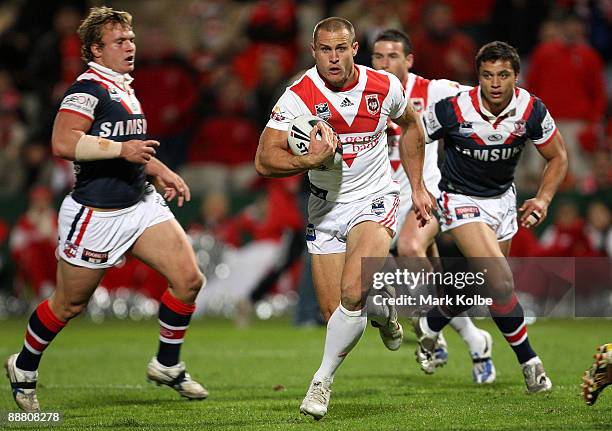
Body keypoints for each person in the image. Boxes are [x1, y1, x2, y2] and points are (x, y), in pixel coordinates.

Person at [4, 7, 207, 413]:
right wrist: (121, 150)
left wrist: (160, 169)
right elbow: (63, 142)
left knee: (189, 279)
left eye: (130, 39)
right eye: (119, 41)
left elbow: (132, 148)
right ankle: (23, 366)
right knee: (69, 305)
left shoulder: (124, 87)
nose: (129, 46)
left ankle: (166, 364)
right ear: (96, 50)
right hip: (96, 213)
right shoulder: (87, 89)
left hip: (139, 203)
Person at [255, 17, 433, 420]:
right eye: (325, 50)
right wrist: (309, 160)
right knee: (335, 311)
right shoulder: (298, 95)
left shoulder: (384, 85)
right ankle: (383, 309)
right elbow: (264, 159)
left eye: (341, 49)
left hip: (374, 198)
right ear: (313, 52)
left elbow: (411, 126)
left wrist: (417, 187)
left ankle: (321, 382)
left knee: (353, 290)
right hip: (325, 207)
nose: (333, 58)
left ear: (355, 49)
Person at [413, 41, 568, 393]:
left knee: (486, 285)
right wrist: (418, 185)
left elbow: (558, 157)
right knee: (500, 280)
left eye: (503, 75)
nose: (495, 83)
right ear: (477, 77)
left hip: (502, 201)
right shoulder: (452, 109)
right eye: (487, 75)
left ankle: (430, 323)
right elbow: (414, 136)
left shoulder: (531, 110)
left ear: (516, 75)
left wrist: (543, 199)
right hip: (458, 199)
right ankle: (531, 364)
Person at [371, 28, 495, 384]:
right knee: (418, 280)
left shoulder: (433, 91)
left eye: (392, 56)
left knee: (410, 248)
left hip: (429, 194)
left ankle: (432, 332)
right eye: (378, 56)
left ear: (409, 60)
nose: (384, 63)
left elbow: (480, 98)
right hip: (384, 200)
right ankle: (474, 339)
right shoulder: (365, 94)